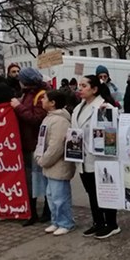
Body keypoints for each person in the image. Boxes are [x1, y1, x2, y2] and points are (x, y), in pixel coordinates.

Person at [72, 75, 120, 239]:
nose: (80, 89)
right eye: (79, 85)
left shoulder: (104, 106)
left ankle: (112, 224)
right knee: (91, 193)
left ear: (94, 89)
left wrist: (110, 114)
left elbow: (113, 131)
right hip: (83, 158)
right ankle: (98, 222)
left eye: (84, 86)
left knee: (104, 191)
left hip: (100, 158)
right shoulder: (78, 108)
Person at [10, 68, 51, 226]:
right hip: (28, 143)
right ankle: (32, 212)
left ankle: (46, 211)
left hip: (36, 144)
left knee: (40, 179)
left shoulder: (41, 95)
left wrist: (18, 107)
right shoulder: (28, 94)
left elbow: (36, 118)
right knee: (30, 181)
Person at [36, 89, 76, 236]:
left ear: (52, 103)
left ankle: (66, 222)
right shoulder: (49, 118)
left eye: (44, 98)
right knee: (51, 195)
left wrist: (43, 159)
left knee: (60, 197)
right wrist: (39, 154)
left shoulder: (59, 121)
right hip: (49, 165)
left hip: (58, 165)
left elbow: (56, 146)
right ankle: (56, 221)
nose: (41, 100)